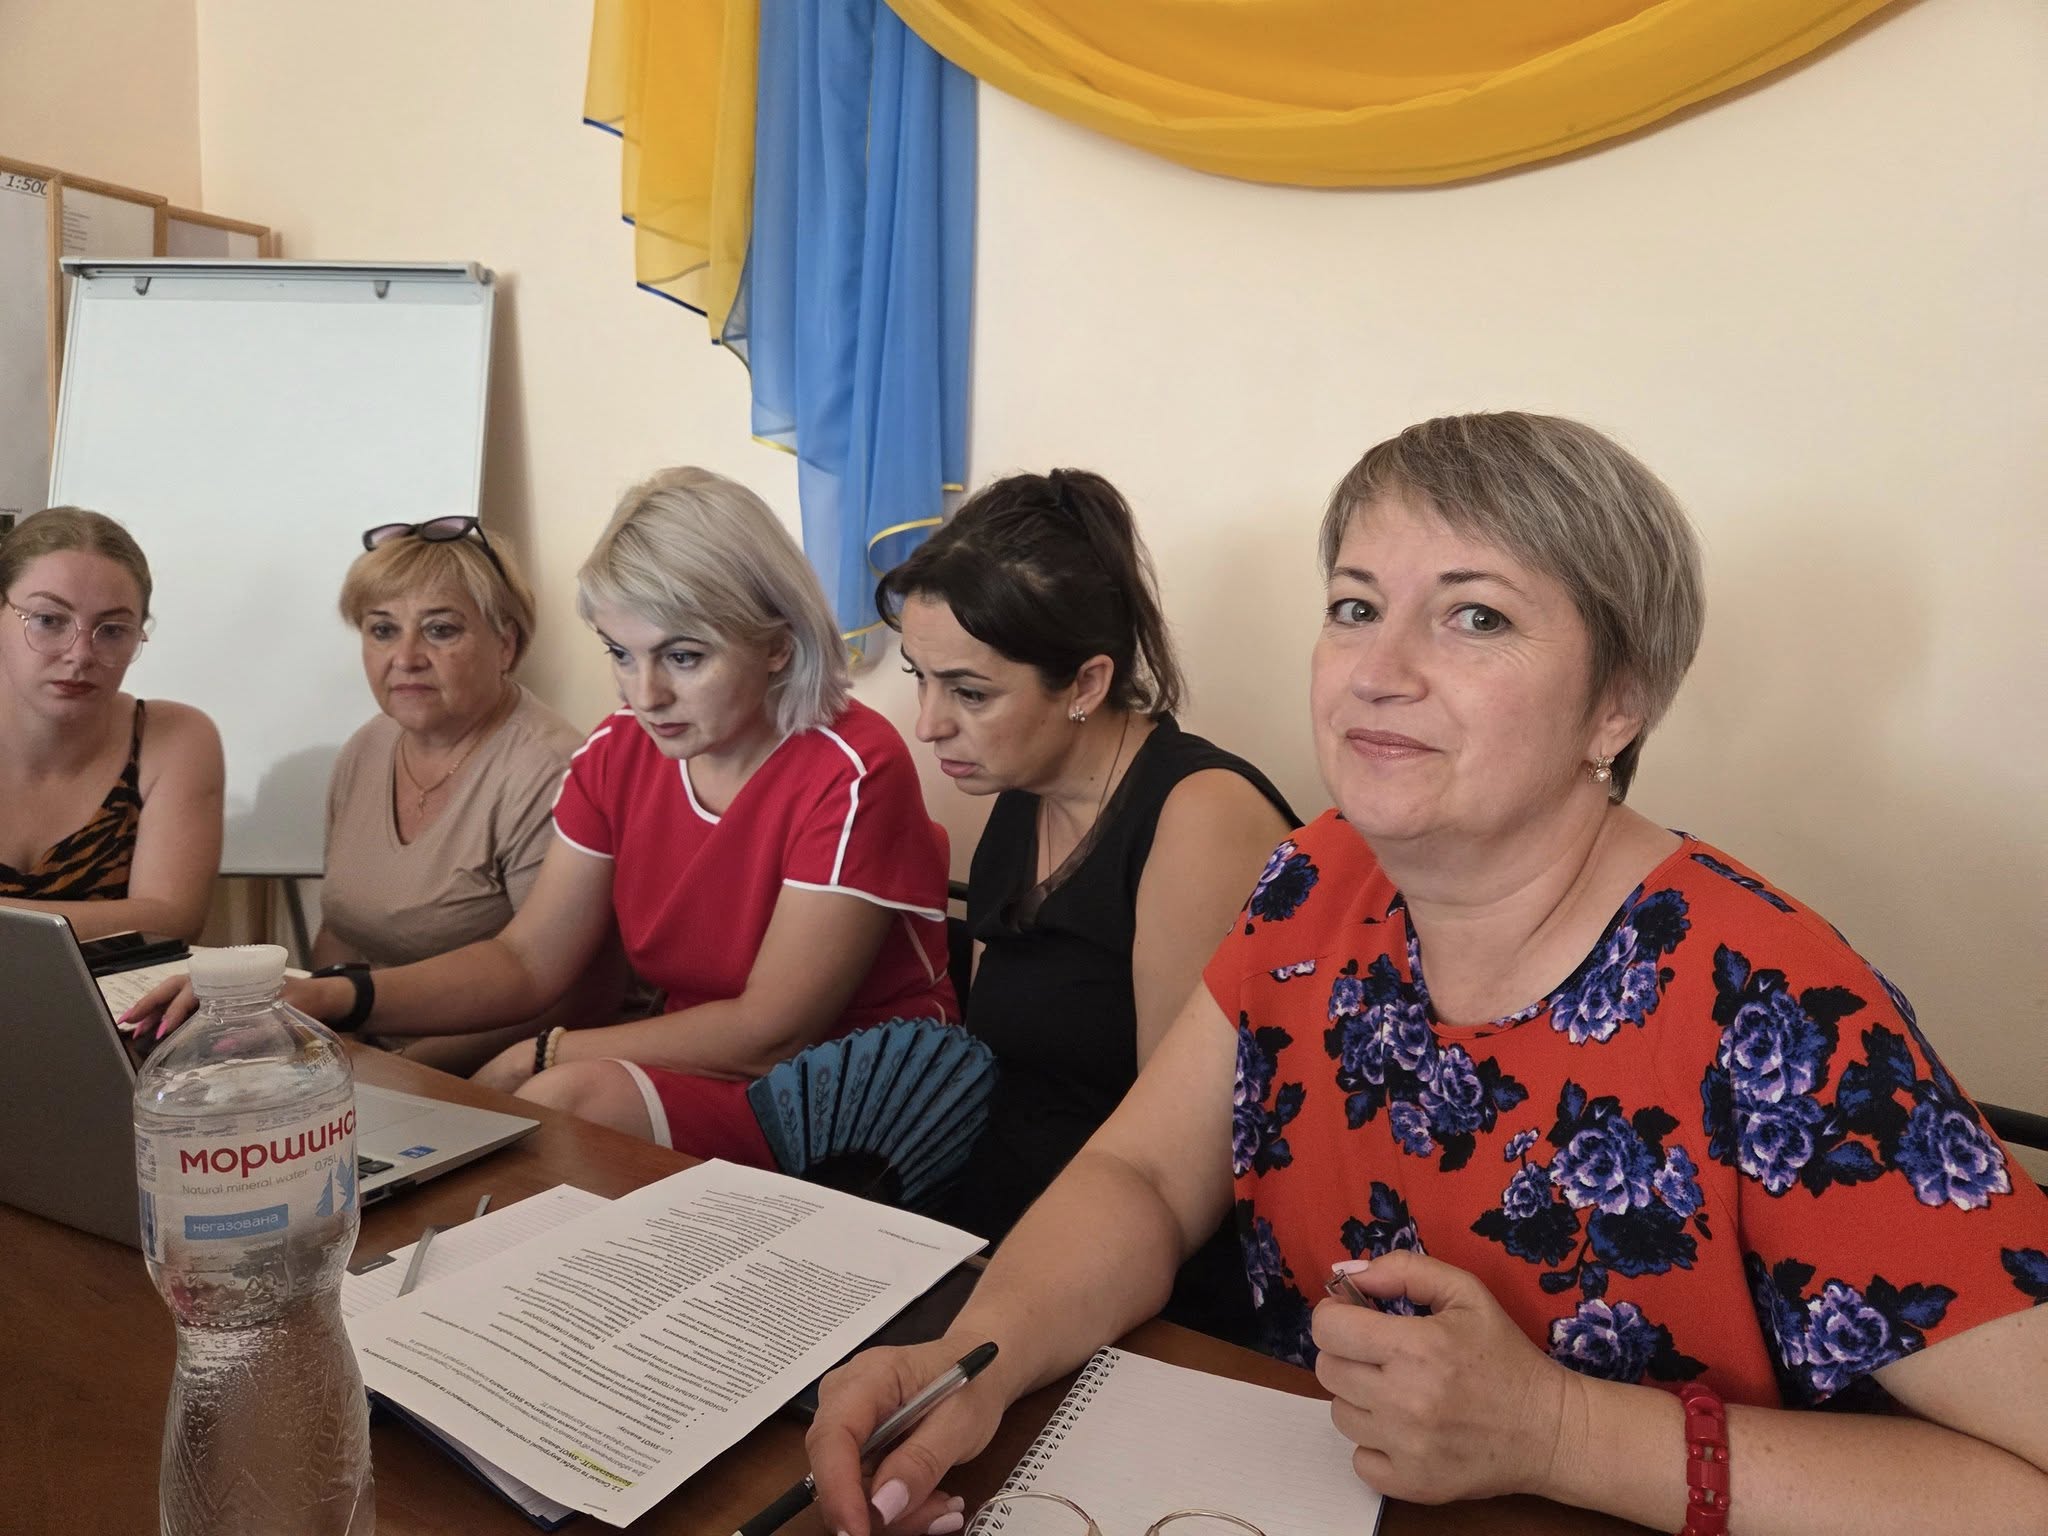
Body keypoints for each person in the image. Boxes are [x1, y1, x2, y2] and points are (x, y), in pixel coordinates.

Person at [803, 415, 2048, 1536]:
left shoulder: (1773, 1008)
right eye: (1353, 607)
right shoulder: (1310, 882)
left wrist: (1560, 1433)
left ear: (1616, 704)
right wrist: (973, 1359)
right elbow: (1143, 1176)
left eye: (1475, 617)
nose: (1376, 669)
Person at [133, 469, 956, 1164]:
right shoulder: (619, 749)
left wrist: (545, 1051)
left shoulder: (853, 766)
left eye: (683, 656)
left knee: (557, 1105)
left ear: (776, 644)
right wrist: (324, 997)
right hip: (698, 1059)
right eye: (621, 654)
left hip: (855, 1089)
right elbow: (527, 961)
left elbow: (768, 1031)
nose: (645, 694)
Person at [880, 468, 1296, 1339]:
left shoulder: (1200, 817)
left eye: (969, 692)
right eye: (921, 678)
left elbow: (1177, 1163)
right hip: (999, 1236)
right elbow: (992, 1069)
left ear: (1085, 684)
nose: (928, 724)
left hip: (1132, 1282)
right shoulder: (1021, 792)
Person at [315, 517, 590, 1075]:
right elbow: (342, 931)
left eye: (440, 630)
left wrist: (395, 1073)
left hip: (488, 1067)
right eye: (382, 630)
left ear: (506, 645)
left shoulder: (550, 769)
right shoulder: (367, 747)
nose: (406, 657)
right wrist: (323, 1049)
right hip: (366, 1058)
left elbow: (564, 995)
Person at [0, 508, 223, 942]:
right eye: (49, 620)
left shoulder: (172, 738)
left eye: (113, 630)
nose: (81, 653)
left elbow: (171, 922)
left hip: (108, 991)